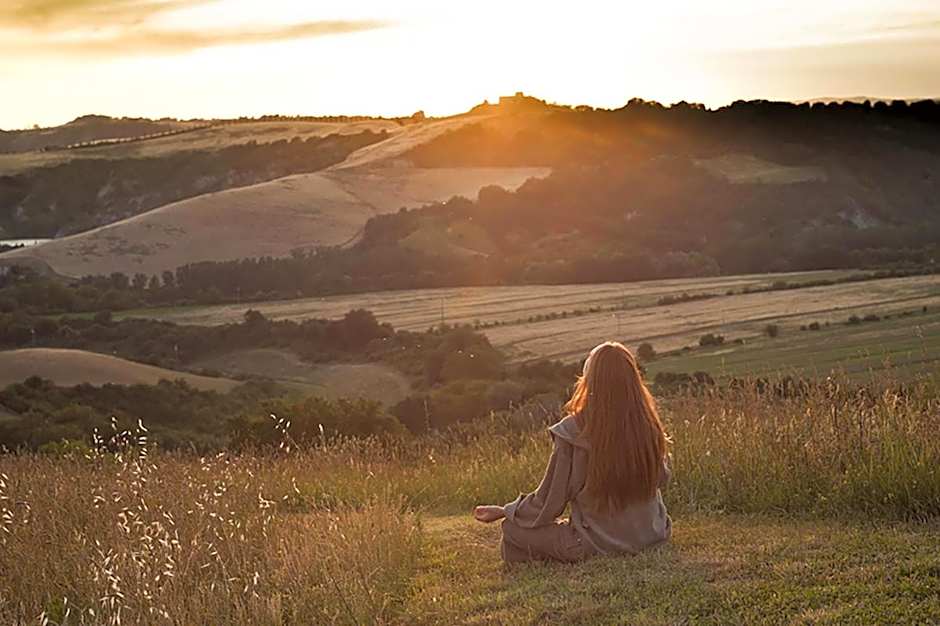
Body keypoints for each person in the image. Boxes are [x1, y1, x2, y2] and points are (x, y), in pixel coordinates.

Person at [473, 341, 672, 563]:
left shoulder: (574, 431)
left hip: (596, 544)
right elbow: (662, 478)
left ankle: (539, 563)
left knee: (510, 529)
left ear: (591, 379)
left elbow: (548, 502)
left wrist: (504, 510)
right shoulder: (648, 424)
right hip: (653, 534)